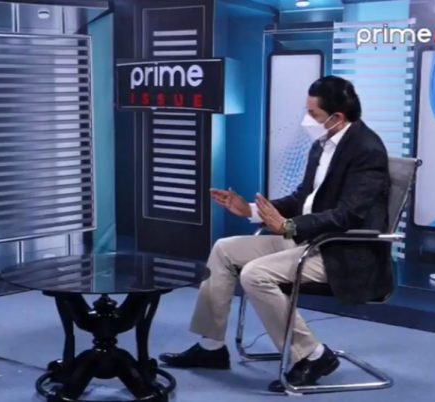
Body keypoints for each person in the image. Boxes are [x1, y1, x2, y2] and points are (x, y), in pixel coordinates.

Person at [159, 76, 391, 392]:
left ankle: (312, 355)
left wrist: (290, 226)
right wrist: (249, 210)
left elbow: (347, 214)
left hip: (342, 253)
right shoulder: (321, 145)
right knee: (224, 250)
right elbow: (301, 199)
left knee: (255, 274)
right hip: (309, 241)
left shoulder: (368, 150)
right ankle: (211, 347)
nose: (306, 119)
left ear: (337, 117)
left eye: (313, 113)